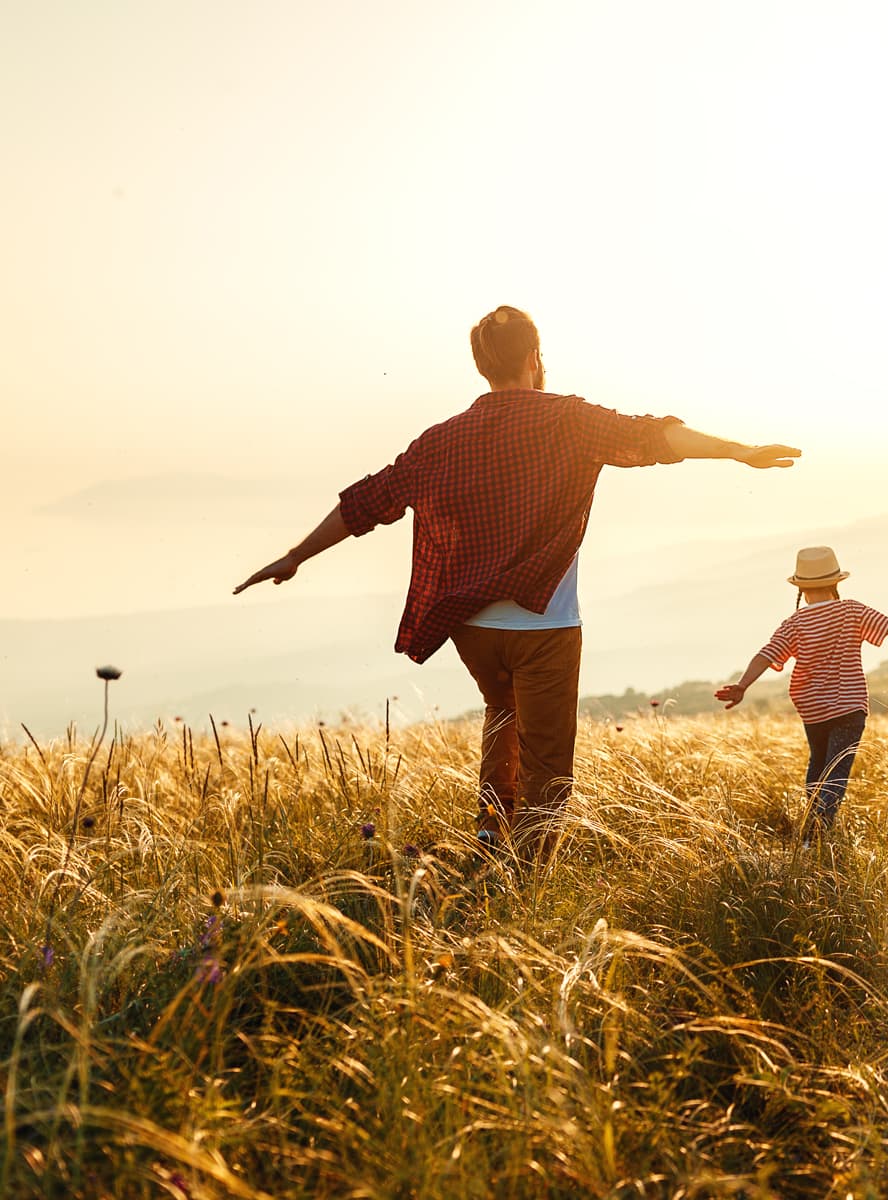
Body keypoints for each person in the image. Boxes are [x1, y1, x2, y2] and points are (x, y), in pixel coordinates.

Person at [235, 305, 800, 859]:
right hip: (545, 626)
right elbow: (654, 436)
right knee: (548, 762)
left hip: (471, 628)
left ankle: (489, 832)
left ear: (483, 366)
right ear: (534, 357)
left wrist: (295, 556)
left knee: (501, 713)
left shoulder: (442, 439)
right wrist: (739, 451)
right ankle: (527, 877)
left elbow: (369, 501)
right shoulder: (568, 420)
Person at [716, 546, 888, 843]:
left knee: (818, 766)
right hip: (849, 706)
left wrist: (742, 686)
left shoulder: (794, 623)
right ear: (836, 582)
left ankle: (810, 833)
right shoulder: (852, 610)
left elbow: (766, 655)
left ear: (801, 588)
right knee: (837, 771)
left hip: (812, 709)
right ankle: (817, 833)